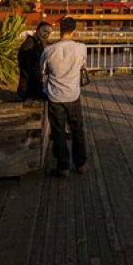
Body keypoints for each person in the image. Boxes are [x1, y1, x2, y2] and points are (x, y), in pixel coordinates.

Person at [41, 17, 89, 177]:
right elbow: (83, 65)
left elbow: (43, 71)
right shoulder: (81, 48)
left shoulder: (49, 50)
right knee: (77, 130)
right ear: (74, 30)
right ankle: (80, 163)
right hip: (73, 94)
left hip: (55, 96)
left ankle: (63, 167)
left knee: (58, 131)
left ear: (59, 30)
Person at [17, 21, 52, 100]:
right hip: (28, 89)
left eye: (49, 33)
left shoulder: (38, 43)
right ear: (37, 30)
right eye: (44, 31)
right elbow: (28, 68)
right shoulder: (29, 44)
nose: (46, 34)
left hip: (33, 85)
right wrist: (43, 80)